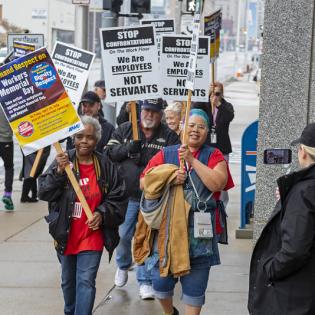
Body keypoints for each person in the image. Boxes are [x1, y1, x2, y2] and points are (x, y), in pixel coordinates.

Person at [136, 109, 234, 315]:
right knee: (160, 285)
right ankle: (170, 312)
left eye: (201, 127)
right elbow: (144, 183)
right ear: (182, 128)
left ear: (207, 132)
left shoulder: (213, 155)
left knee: (195, 291)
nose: (195, 130)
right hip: (167, 233)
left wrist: (192, 160)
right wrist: (169, 177)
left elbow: (218, 183)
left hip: (200, 236)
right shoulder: (165, 154)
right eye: (191, 125)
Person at [38, 115, 127, 315]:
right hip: (66, 234)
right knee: (68, 283)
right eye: (79, 136)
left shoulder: (105, 165)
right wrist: (59, 173)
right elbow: (43, 191)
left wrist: (102, 214)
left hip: (91, 236)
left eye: (89, 137)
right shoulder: (63, 160)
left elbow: (119, 198)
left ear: (97, 140)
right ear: (73, 138)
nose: (84, 141)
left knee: (86, 281)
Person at [106, 98, 179, 299]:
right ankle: (122, 264)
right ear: (140, 111)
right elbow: (108, 153)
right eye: (146, 110)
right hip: (126, 197)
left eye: (154, 112)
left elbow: (175, 161)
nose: (149, 115)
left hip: (154, 199)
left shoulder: (169, 135)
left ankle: (145, 280)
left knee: (149, 238)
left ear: (161, 114)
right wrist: (129, 148)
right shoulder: (124, 129)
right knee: (123, 235)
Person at [248, 123, 315, 315]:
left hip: (294, 297)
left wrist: (270, 269)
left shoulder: (304, 192)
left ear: (302, 152)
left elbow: (295, 249)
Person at [0, 106, 14, 210]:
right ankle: (7, 194)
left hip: (6, 139)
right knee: (9, 168)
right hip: (6, 140)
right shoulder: (8, 99)